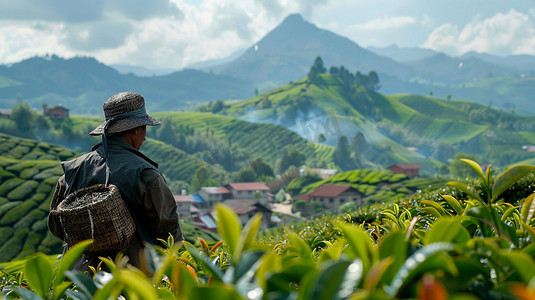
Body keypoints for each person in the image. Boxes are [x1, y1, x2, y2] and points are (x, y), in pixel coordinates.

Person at [48, 91, 183, 272]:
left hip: (80, 279)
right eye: (144, 128)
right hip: (131, 279)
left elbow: (57, 226)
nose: (144, 137)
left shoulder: (72, 171)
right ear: (134, 129)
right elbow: (168, 233)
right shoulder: (145, 174)